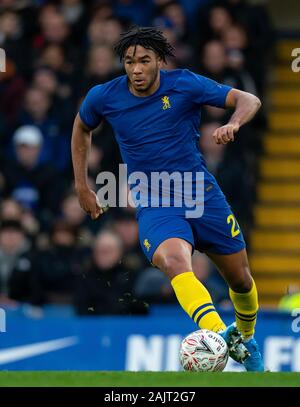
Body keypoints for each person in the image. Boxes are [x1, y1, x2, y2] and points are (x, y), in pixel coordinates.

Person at [71, 26, 264, 371]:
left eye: (144, 60)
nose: (136, 69)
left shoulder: (185, 84)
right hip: (156, 201)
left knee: (242, 280)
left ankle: (246, 338)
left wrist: (233, 123)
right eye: (129, 62)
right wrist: (82, 186)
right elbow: (82, 126)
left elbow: (249, 100)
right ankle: (221, 338)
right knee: (175, 261)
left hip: (200, 194)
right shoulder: (104, 96)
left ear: (160, 60)